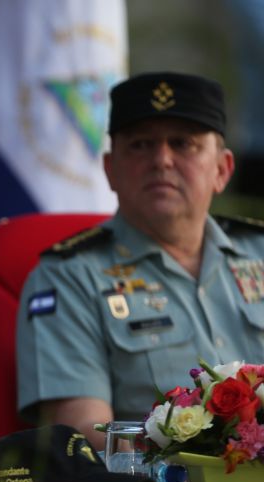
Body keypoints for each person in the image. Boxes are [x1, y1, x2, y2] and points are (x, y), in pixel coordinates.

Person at [16, 71, 264, 449]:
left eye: (183, 144)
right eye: (140, 145)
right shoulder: (67, 277)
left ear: (222, 169)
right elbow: (87, 434)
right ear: (110, 169)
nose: (161, 160)